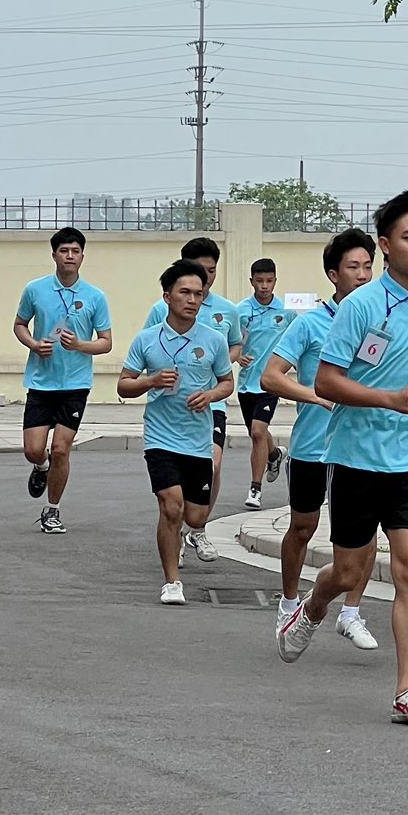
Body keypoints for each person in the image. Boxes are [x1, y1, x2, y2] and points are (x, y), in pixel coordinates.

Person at [275, 189, 408, 727]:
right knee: (348, 570)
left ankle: (407, 691)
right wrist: (388, 399)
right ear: (385, 244)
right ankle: (313, 607)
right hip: (356, 457)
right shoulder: (360, 306)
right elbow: (327, 381)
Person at [260, 227, 380, 651]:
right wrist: (316, 395)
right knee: (302, 528)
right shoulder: (310, 323)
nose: (363, 275)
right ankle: (289, 602)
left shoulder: (379, 324)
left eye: (368, 266)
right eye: (353, 267)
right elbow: (271, 376)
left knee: (365, 537)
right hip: (313, 447)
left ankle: (351, 613)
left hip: (360, 448)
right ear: (333, 274)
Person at [118, 259, 235, 605]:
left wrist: (210, 396)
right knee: (171, 506)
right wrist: (151, 381)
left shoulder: (213, 340)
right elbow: (123, 385)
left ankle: (186, 534)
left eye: (198, 294)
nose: (193, 299)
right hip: (160, 437)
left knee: (195, 515)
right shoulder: (147, 339)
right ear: (167, 296)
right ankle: (172, 581)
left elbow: (227, 382)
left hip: (197, 440)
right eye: (185, 292)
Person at [144, 234, 241, 559]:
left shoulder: (226, 310)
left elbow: (235, 345)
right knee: (172, 497)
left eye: (211, 271)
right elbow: (149, 348)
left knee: (214, 462)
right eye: (199, 270)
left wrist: (216, 365)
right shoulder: (161, 308)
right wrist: (156, 379)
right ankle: (175, 530)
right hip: (170, 407)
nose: (205, 278)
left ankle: (197, 529)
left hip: (211, 403)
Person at [13, 225, 113, 533]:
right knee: (34, 450)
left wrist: (80, 345)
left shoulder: (95, 296)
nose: (70, 256)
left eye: (75, 251)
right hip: (41, 382)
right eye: (64, 250)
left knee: (60, 449)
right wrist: (34, 345)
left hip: (75, 385)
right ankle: (41, 466)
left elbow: (106, 342)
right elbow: (19, 325)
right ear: (54, 255)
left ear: (82, 256)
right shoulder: (35, 290)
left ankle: (52, 510)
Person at [236, 256, 293, 509]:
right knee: (256, 433)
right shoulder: (240, 311)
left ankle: (255, 489)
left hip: (270, 383)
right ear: (252, 281)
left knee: (258, 431)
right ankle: (274, 454)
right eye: (259, 281)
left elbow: (297, 343)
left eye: (269, 281)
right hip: (246, 384)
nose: (264, 286)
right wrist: (238, 355)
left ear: (275, 281)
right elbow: (232, 343)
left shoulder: (287, 312)